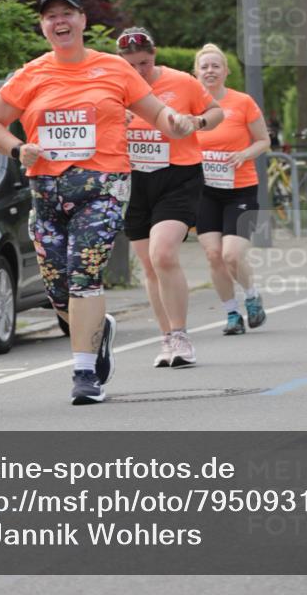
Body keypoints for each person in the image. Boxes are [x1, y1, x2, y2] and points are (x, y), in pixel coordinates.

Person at [0, 0, 200, 405]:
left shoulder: (114, 69)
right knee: (59, 292)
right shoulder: (31, 74)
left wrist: (178, 123)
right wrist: (16, 148)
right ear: (42, 27)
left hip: (102, 189)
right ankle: (99, 331)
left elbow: (157, 114)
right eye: (50, 17)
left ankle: (84, 375)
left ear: (81, 20)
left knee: (84, 279)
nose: (59, 22)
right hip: (46, 192)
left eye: (67, 14)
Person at [116, 27, 223, 368]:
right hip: (133, 181)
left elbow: (216, 112)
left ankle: (181, 335)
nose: (139, 72)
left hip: (178, 176)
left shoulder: (181, 81)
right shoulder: (113, 86)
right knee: (149, 265)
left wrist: (197, 122)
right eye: (131, 65)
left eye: (145, 63)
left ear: (155, 54)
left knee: (163, 254)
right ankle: (166, 339)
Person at [193, 43, 270, 335]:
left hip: (241, 189)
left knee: (231, 255)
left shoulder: (243, 102)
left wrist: (244, 154)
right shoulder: (189, 105)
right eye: (204, 67)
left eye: (215, 66)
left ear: (225, 71)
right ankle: (232, 314)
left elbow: (264, 140)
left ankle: (251, 296)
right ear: (196, 73)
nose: (210, 71)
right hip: (205, 192)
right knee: (213, 255)